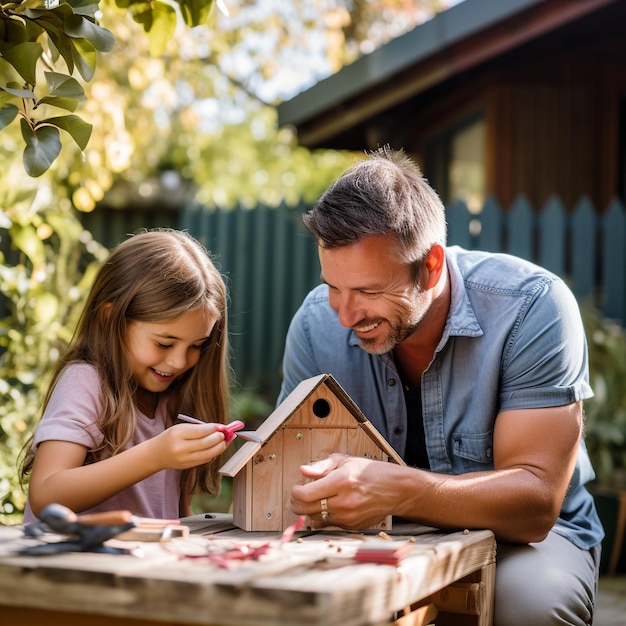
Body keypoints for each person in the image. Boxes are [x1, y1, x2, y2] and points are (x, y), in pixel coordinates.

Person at [278, 147, 604, 626]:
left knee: (531, 605)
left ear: (430, 266)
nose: (345, 316)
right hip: (369, 539)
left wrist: (401, 491)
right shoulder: (314, 324)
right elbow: (292, 470)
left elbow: (535, 506)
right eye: (333, 287)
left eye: (368, 292)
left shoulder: (533, 306)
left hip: (521, 543)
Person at [20, 229, 232, 522]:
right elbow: (46, 495)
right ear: (111, 319)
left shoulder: (175, 399)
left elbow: (174, 516)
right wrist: (155, 456)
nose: (179, 361)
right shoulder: (85, 382)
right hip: (71, 565)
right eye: (164, 343)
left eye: (197, 346)